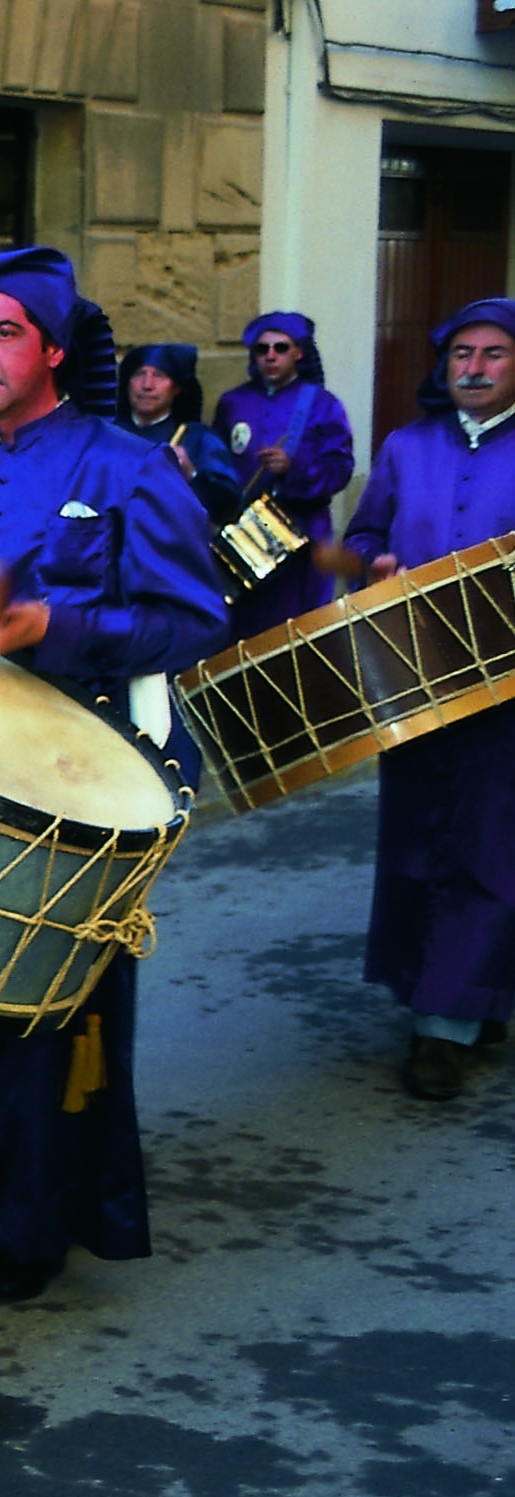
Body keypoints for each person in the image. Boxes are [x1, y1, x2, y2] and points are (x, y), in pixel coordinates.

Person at [0, 248, 229, 1304]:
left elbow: (195, 617)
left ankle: (34, 1224)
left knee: (40, 1010)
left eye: (5, 335)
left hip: (82, 776)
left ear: (56, 351)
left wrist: (56, 624)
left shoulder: (126, 465)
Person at [333, 298, 515, 1100]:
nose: (473, 368)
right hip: (412, 676)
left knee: (485, 845)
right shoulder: (407, 447)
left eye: (495, 355)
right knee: (418, 842)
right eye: (461, 354)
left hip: (506, 686)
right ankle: (457, 996)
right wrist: (371, 564)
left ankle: (445, 1027)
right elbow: (368, 536)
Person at [213, 311, 355, 635]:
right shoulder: (233, 403)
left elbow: (341, 468)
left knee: (295, 628)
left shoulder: (323, 405)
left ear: (299, 352)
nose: (271, 356)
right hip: (244, 531)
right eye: (263, 350)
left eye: (281, 348)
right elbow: (216, 462)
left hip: (301, 535)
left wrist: (295, 470)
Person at [118, 343, 243, 527]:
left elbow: (229, 508)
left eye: (159, 376)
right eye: (139, 375)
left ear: (176, 388)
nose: (147, 385)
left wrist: (191, 474)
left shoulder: (197, 439)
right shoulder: (105, 434)